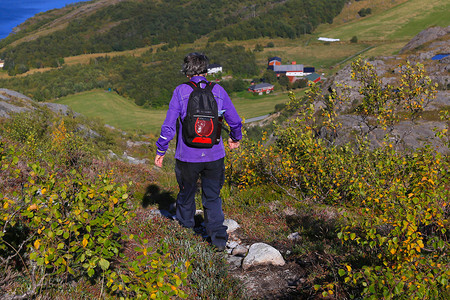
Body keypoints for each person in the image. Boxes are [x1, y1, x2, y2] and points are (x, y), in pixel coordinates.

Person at [154, 52, 242, 251]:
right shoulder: (218, 90)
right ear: (206, 69)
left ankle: (187, 233)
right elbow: (235, 121)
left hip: (187, 157)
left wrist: (161, 149)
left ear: (187, 72)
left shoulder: (180, 91)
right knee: (212, 196)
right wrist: (235, 138)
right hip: (215, 155)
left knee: (186, 194)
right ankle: (218, 240)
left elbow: (168, 125)